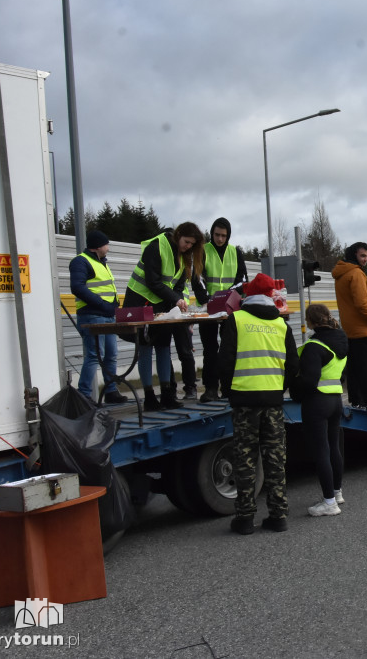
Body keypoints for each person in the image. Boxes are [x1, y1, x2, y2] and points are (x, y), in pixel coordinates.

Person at [219, 273, 300, 535]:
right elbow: (293, 365)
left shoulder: (237, 320)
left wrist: (229, 390)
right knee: (275, 459)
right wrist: (279, 387)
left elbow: (226, 360)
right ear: (269, 297)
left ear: (248, 294)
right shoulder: (281, 325)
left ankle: (244, 519)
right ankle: (278, 516)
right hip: (273, 401)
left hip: (244, 401)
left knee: (245, 459)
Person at [123, 222, 204, 410]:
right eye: (186, 242)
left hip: (161, 304)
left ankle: (167, 394)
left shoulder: (184, 256)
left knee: (163, 346)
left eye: (192, 244)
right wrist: (175, 300)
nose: (188, 246)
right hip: (140, 300)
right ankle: (149, 396)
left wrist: (177, 302)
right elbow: (153, 282)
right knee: (145, 347)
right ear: (178, 235)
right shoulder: (157, 246)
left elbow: (177, 284)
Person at [291, 304, 348, 518]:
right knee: (334, 447)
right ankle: (337, 492)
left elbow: (308, 380)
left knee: (321, 450)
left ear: (310, 321)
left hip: (317, 402)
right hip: (336, 399)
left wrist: (294, 390)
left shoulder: (314, 346)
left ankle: (329, 503)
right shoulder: (341, 339)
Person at [194, 217, 249, 402]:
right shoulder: (202, 251)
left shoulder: (235, 252)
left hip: (230, 308)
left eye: (223, 236)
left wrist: (227, 297)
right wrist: (207, 299)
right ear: (212, 233)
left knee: (229, 349)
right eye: (217, 235)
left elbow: (242, 279)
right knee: (210, 350)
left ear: (228, 235)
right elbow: (197, 277)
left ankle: (228, 387)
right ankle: (210, 388)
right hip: (208, 308)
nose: (219, 239)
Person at [69, 230, 127, 404]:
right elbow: (78, 287)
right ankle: (84, 395)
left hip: (107, 315)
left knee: (111, 355)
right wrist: (103, 305)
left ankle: (110, 391)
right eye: (106, 244)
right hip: (92, 316)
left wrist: (113, 308)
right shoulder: (81, 261)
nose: (108, 248)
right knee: (95, 355)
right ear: (98, 246)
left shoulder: (101, 263)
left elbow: (106, 289)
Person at [333, 242, 367, 412]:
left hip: (349, 330)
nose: (365, 260)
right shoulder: (356, 274)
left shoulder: (341, 274)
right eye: (362, 256)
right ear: (354, 255)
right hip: (364, 329)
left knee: (354, 369)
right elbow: (362, 304)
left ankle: (356, 402)